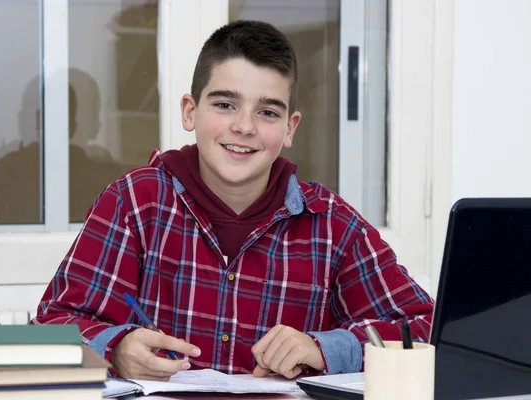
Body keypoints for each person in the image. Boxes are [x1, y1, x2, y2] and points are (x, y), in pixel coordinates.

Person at [31, 20, 434, 382]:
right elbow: (50, 326)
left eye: (268, 113)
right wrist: (115, 348)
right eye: (225, 105)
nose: (243, 127)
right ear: (190, 111)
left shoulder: (332, 225)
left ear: (290, 128)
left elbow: (429, 328)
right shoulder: (135, 202)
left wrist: (325, 348)